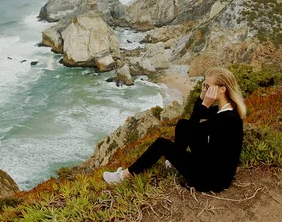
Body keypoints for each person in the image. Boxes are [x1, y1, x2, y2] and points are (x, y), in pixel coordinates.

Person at [103, 67, 246, 192]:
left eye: (208, 87)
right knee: (183, 124)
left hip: (210, 180)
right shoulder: (226, 110)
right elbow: (193, 123)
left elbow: (195, 127)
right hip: (212, 165)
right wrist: (202, 98)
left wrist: (205, 104)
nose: (206, 89)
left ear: (222, 89)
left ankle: (124, 176)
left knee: (161, 144)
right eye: (205, 85)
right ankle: (173, 161)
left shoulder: (227, 119)